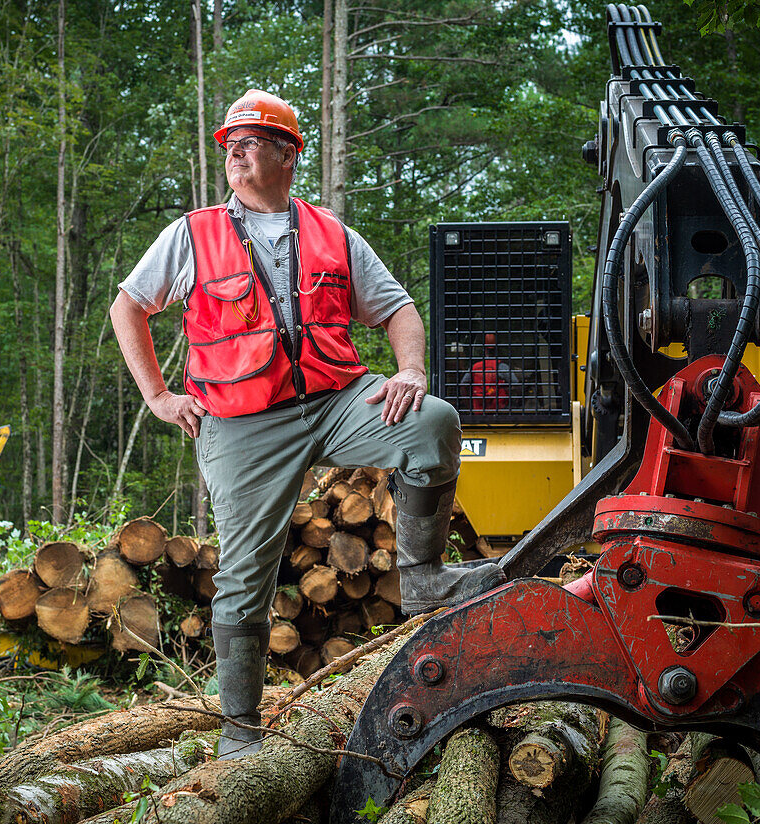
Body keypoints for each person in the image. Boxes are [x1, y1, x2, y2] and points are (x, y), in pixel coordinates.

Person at [110, 90, 505, 759]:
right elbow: (128, 306)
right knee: (243, 573)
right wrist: (158, 395)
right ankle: (240, 732)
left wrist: (409, 371)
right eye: (230, 143)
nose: (235, 152)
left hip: (336, 399)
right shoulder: (193, 233)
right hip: (242, 422)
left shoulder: (330, 233)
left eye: (252, 141)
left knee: (432, 421)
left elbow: (400, 310)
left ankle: (424, 578)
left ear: (289, 154)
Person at [459, 333, 523, 413]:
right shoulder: (502, 367)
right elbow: (517, 386)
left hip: (478, 412)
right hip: (499, 412)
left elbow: (463, 385)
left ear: (484, 350)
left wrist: (470, 406)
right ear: (497, 349)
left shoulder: (474, 367)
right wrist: (518, 403)